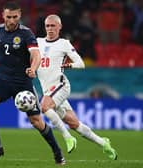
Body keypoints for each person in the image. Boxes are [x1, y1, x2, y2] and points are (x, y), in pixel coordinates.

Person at [0, 2, 65, 165]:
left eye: (15, 17)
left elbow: (36, 54)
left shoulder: (26, 34)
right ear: (3, 16)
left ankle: (57, 151)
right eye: (8, 17)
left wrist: (33, 68)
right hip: (2, 81)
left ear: (20, 16)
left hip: (22, 84)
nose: (11, 20)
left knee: (36, 122)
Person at [34, 14, 117, 160]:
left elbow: (81, 63)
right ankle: (103, 143)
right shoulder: (38, 42)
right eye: (47, 26)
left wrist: (69, 65)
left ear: (59, 27)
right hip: (48, 90)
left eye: (53, 26)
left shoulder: (64, 43)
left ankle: (67, 137)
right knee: (74, 123)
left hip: (61, 85)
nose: (50, 29)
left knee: (45, 106)